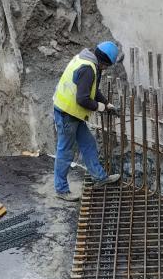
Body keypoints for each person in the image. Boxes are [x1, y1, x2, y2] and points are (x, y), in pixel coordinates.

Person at [52, 40, 123, 200]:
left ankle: (100, 178)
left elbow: (92, 90)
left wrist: (106, 103)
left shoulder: (88, 60)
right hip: (66, 113)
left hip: (73, 114)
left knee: (88, 143)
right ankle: (61, 190)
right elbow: (83, 99)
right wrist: (100, 107)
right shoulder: (89, 69)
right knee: (65, 151)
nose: (105, 69)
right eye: (106, 66)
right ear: (103, 62)